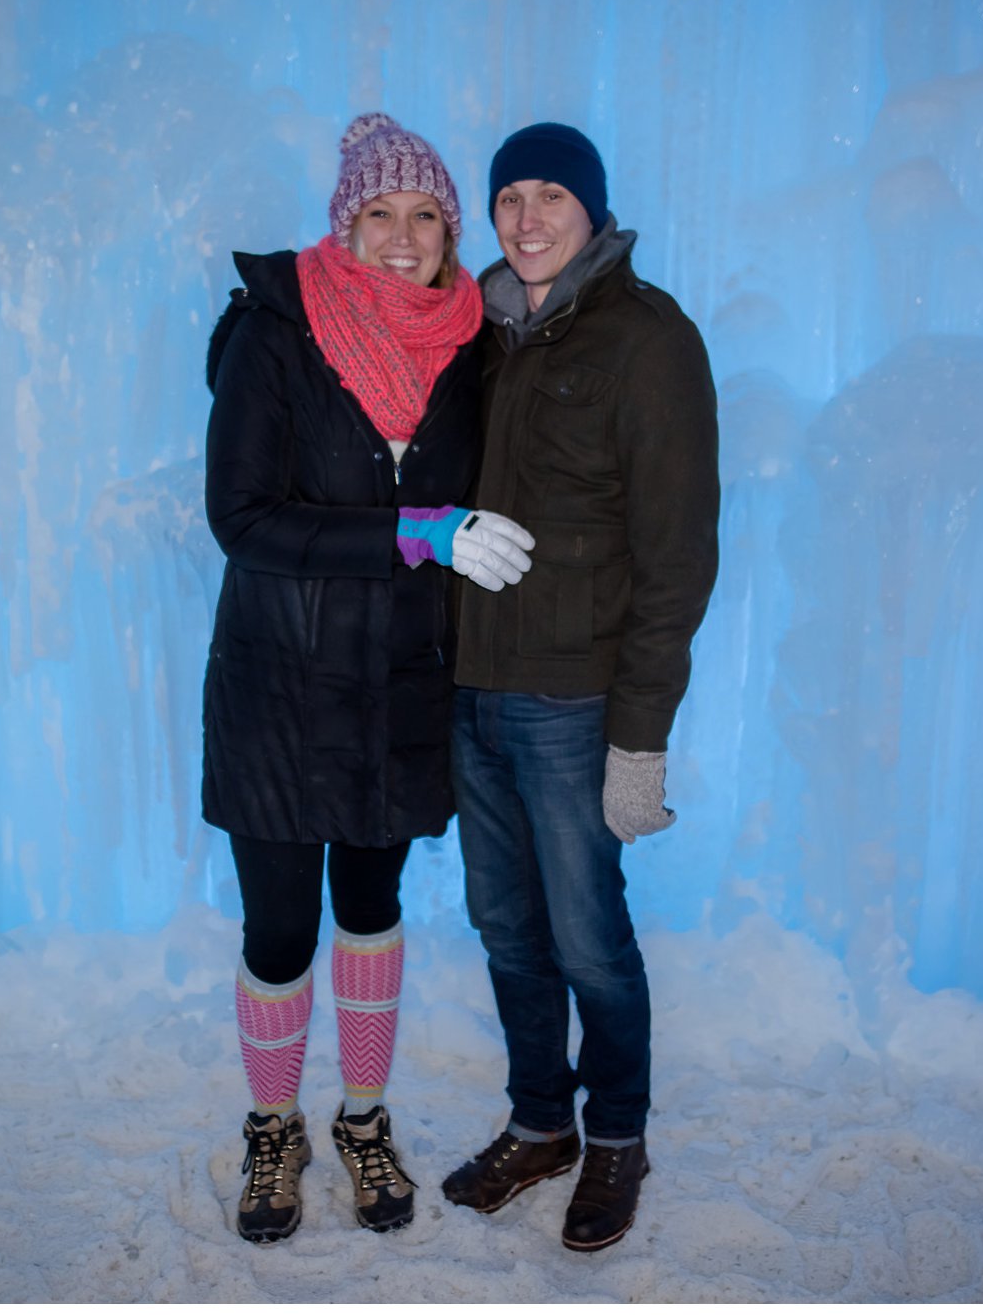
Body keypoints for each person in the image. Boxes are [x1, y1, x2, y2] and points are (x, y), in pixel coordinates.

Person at [200, 112, 537, 1245]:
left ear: (450, 230)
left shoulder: (472, 344)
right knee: (280, 926)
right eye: (379, 214)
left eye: (425, 215)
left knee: (373, 908)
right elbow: (240, 520)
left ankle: (359, 1118)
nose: (403, 237)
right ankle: (269, 1126)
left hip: (399, 688)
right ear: (345, 225)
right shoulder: (273, 331)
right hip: (278, 692)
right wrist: (411, 532)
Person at [439, 122, 721, 1252]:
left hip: (570, 707)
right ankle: (539, 1122)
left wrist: (638, 737)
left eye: (552, 194)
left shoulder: (648, 341)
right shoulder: (480, 334)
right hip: (473, 693)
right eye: (509, 194)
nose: (526, 216)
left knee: (588, 939)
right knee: (505, 929)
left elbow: (677, 557)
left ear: (592, 213)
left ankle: (615, 1139)